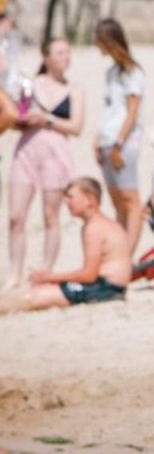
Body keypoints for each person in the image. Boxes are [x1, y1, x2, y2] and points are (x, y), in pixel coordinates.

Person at [7, 38, 84, 289]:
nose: (66, 57)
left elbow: (76, 127)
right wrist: (23, 120)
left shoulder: (75, 89)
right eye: (60, 52)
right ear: (46, 58)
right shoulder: (29, 85)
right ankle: (15, 272)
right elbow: (12, 117)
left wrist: (47, 119)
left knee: (51, 216)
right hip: (27, 151)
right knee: (16, 216)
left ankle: (46, 271)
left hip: (56, 153)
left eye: (67, 52)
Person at [0, 178, 131, 313]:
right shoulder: (102, 223)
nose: (66, 202)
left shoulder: (94, 228)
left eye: (70, 197)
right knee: (40, 291)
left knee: (31, 296)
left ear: (89, 199)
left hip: (105, 289)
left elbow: (89, 275)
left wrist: (48, 277)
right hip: (109, 287)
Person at [94, 18, 145, 254]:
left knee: (129, 198)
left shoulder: (132, 72)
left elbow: (132, 111)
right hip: (108, 138)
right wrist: (99, 139)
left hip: (123, 141)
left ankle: (128, 253)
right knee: (117, 200)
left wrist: (118, 143)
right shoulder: (111, 72)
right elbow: (110, 110)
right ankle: (120, 251)